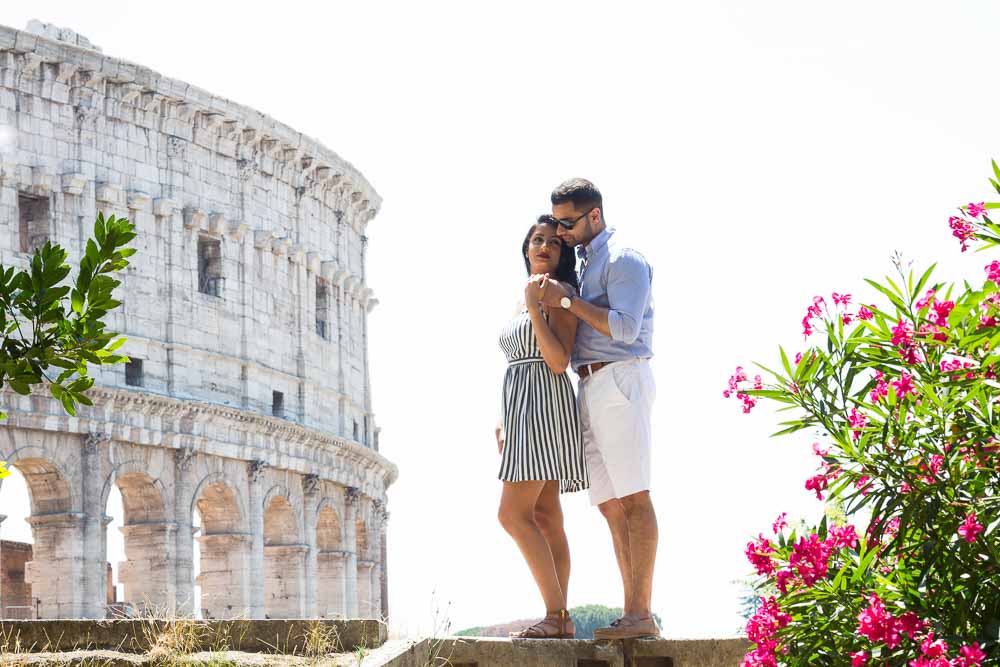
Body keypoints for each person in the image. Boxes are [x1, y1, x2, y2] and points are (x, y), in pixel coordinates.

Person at [538, 178, 659, 639]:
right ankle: (632, 613)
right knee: (610, 505)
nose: (561, 231)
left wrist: (567, 301)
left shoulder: (624, 257)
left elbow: (626, 328)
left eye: (568, 222)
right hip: (590, 385)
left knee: (635, 496)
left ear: (594, 215)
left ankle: (641, 615)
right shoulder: (586, 261)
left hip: (620, 377)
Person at [496, 215, 589, 639]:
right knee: (546, 515)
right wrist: (502, 419)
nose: (544, 246)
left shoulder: (559, 295)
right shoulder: (525, 296)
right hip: (521, 407)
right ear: (526, 247)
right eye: (536, 239)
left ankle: (556, 616)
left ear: (564, 253)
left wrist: (537, 306)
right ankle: (560, 619)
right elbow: (517, 358)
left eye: (554, 242)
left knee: (512, 515)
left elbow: (557, 360)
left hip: (544, 405)